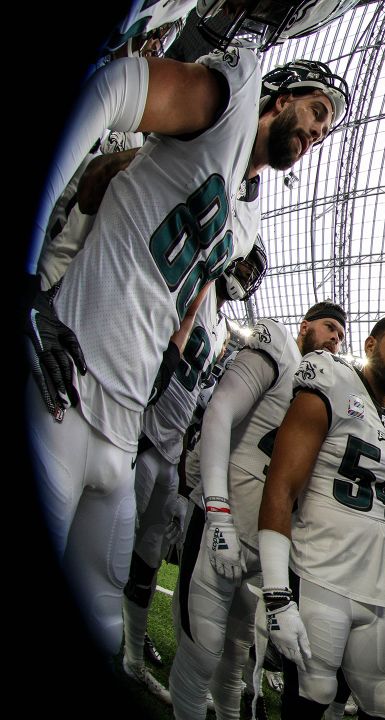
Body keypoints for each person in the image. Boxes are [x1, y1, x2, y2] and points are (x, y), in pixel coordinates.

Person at [26, 0, 353, 650]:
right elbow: (116, 90)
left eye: (326, 131)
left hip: (122, 426)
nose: (317, 132)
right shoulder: (230, 101)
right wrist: (33, 285)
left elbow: (190, 292)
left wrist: (172, 362)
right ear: (281, 95)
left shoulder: (250, 218)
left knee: (102, 616)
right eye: (317, 112)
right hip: (66, 384)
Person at [169, 301, 346, 720]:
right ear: (304, 326)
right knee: (200, 653)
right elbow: (220, 412)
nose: (336, 339)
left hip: (264, 542)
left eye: (341, 335)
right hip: (225, 519)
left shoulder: (327, 390)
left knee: (235, 659)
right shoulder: (279, 343)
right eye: (329, 328)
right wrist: (216, 511)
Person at [122, 238, 268, 705]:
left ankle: (131, 654)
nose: (243, 276)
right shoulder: (192, 290)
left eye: (250, 273)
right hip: (139, 433)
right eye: (242, 265)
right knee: (112, 547)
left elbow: (202, 398)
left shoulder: (223, 328)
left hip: (168, 449)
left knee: (146, 556)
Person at [258, 315, 385, 719]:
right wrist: (278, 595)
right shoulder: (330, 377)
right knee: (313, 694)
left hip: (372, 589)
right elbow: (281, 485)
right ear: (369, 345)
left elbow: (383, 507)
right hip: (320, 574)